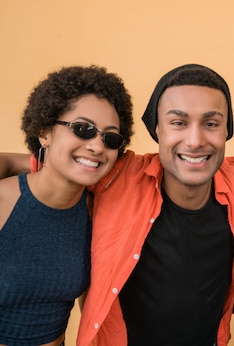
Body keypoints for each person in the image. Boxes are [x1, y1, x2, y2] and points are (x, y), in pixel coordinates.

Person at [0, 64, 234, 345]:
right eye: (178, 122)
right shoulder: (117, 175)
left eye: (211, 123)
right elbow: (66, 160)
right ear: (157, 129)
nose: (195, 140)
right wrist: (23, 162)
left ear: (226, 132)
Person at [0, 66, 134, 346]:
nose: (97, 146)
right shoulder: (4, 202)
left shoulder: (96, 213)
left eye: (110, 138)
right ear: (44, 132)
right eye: (82, 129)